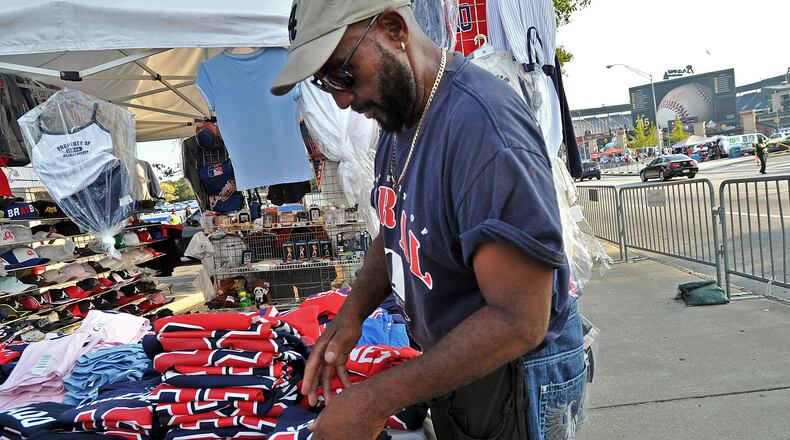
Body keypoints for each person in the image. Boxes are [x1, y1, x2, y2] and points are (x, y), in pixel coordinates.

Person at [271, 2, 585, 440]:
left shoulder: (484, 129)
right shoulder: (402, 118)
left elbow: (519, 320)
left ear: (394, 28)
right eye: (324, 83)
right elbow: (397, 225)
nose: (341, 98)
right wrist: (352, 313)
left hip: (517, 374)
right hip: (472, 366)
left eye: (343, 73)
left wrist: (376, 399)